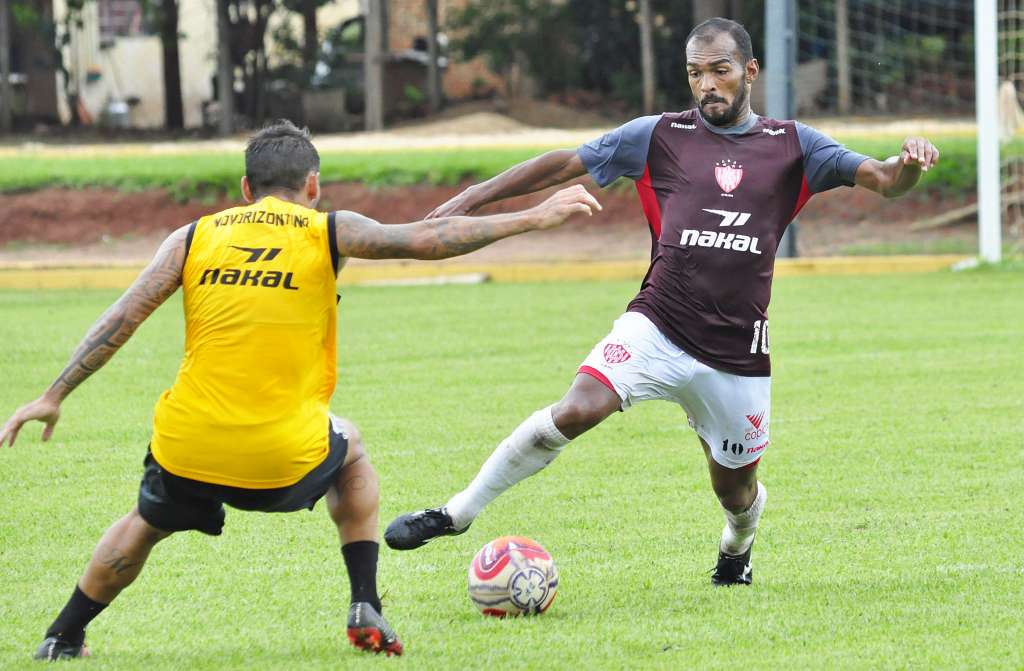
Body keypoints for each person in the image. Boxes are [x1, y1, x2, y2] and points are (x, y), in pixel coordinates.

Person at [1, 120, 600, 661]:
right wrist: (532, 217)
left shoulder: (190, 238)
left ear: (244, 188)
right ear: (312, 186)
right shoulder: (327, 231)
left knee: (144, 522)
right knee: (353, 448)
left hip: (189, 444)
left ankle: (63, 635)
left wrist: (54, 394)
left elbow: (121, 319)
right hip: (282, 454)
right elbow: (427, 238)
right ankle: (365, 602)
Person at [385, 18, 940, 587]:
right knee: (576, 408)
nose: (707, 85)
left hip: (736, 351)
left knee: (736, 489)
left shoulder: (795, 145)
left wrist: (909, 167)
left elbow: (881, 177)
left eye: (720, 71)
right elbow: (563, 161)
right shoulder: (658, 134)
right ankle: (456, 513)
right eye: (696, 73)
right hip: (658, 322)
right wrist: (476, 195)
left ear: (749, 71)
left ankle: (737, 546)